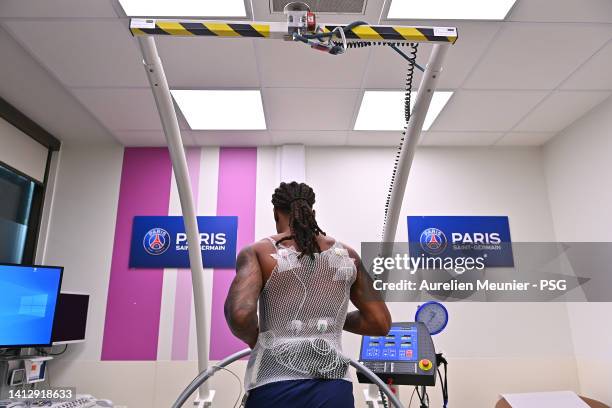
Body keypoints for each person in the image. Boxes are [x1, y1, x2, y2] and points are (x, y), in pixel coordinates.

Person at [224, 181, 391, 408]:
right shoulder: (347, 255)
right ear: (312, 213)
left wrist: (258, 341)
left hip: (274, 384)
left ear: (276, 214)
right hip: (333, 388)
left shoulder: (258, 252)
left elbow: (240, 315)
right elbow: (379, 322)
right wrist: (330, 321)